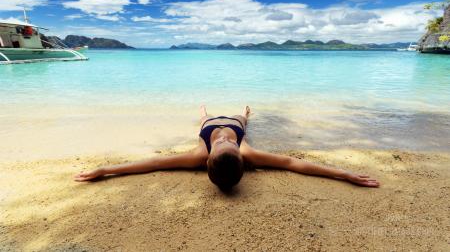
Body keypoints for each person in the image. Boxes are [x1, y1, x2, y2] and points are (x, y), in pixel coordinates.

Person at [74, 106, 380, 190]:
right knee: (240, 118)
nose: (222, 144)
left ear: (206, 162)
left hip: (212, 123)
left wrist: (107, 170)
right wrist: (345, 174)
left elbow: (153, 164)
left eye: (222, 148)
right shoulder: (247, 153)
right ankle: (242, 113)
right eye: (225, 148)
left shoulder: (199, 154)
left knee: (208, 118)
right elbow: (291, 162)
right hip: (233, 122)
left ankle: (219, 112)